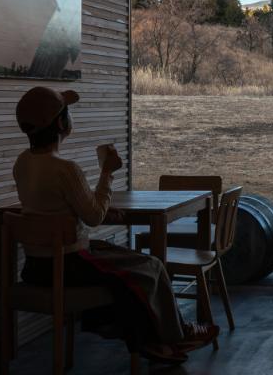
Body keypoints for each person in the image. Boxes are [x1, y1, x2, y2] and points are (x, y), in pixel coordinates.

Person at [12, 86, 217, 364]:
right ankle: (175, 336)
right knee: (151, 267)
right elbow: (94, 217)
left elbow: (54, 210)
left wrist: (101, 211)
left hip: (35, 268)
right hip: (71, 265)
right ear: (60, 123)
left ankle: (156, 339)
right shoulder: (65, 169)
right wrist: (107, 172)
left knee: (130, 265)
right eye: (67, 113)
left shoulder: (22, 164)